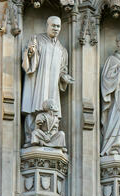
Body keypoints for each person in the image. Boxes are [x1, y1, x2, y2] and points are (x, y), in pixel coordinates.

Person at [22, 16, 74, 146]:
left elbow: (62, 69)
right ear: (47, 25)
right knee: (33, 108)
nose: (56, 28)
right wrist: (30, 53)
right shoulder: (38, 39)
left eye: (58, 26)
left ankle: (50, 139)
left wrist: (64, 77)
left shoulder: (62, 49)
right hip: (37, 83)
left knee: (52, 112)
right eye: (53, 25)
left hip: (52, 87)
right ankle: (30, 139)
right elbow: (29, 58)